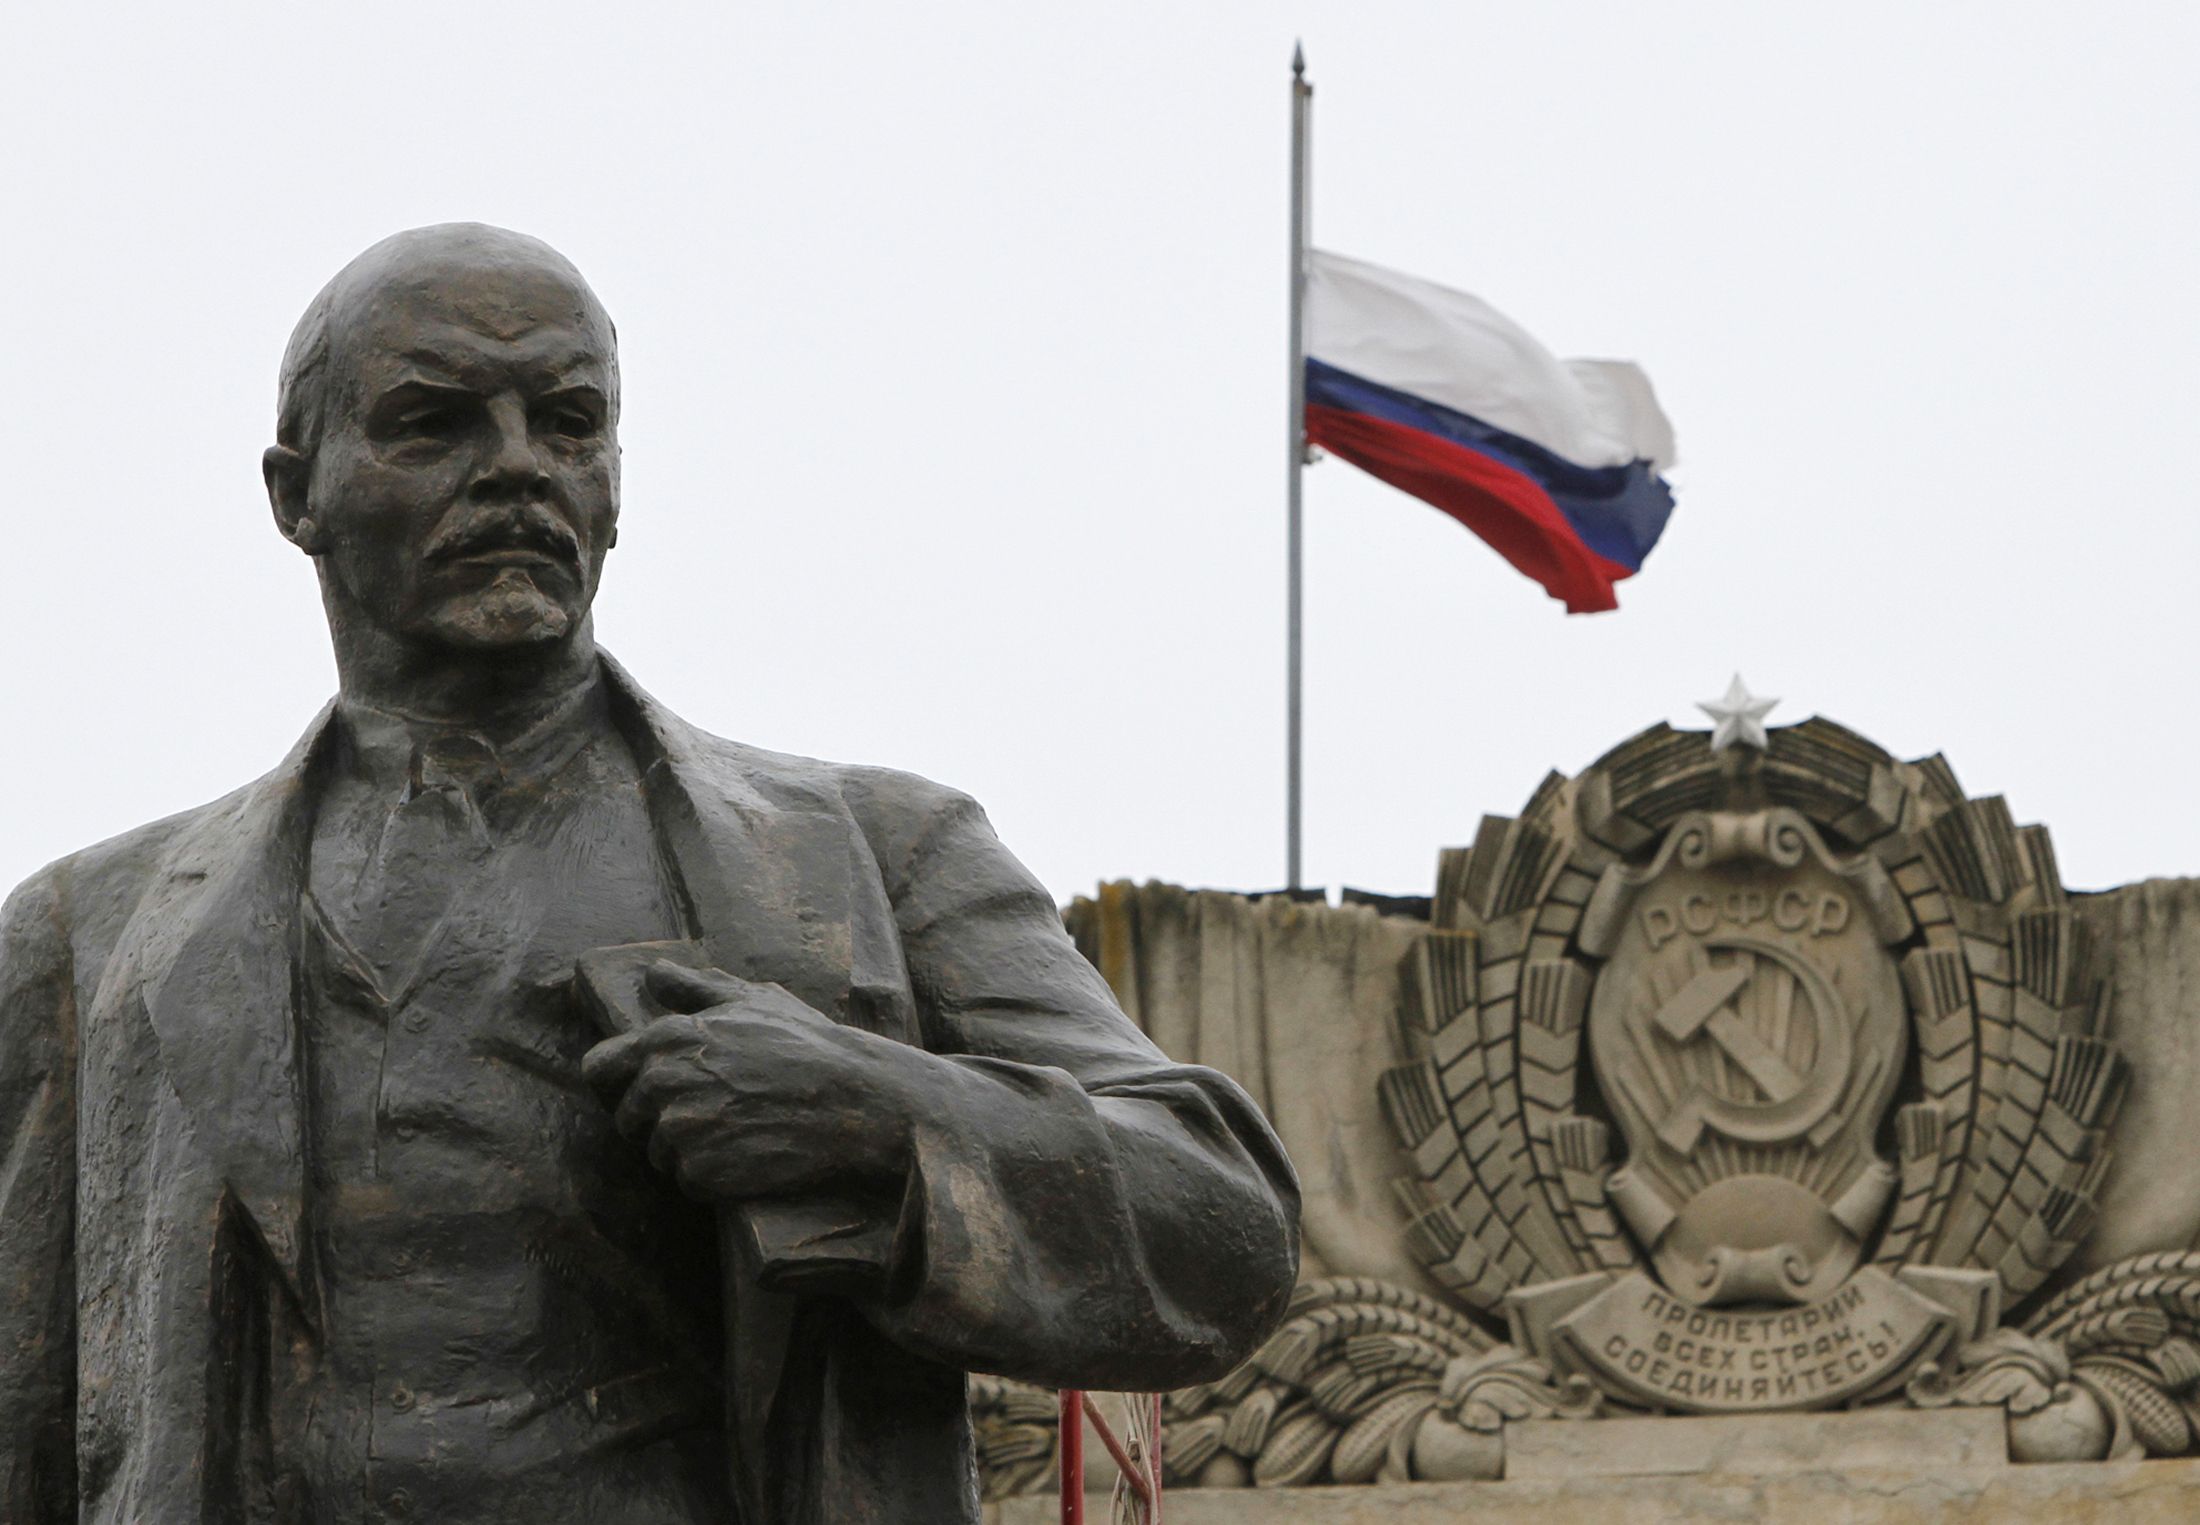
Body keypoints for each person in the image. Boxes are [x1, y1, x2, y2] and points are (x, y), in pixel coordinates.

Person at [0, 224, 1299, 1524]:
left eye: (567, 421)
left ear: (616, 479)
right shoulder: (82, 939)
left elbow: (1225, 1225)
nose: (515, 466)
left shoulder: (877, 852)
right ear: (298, 493)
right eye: (433, 422)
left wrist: (881, 1116)